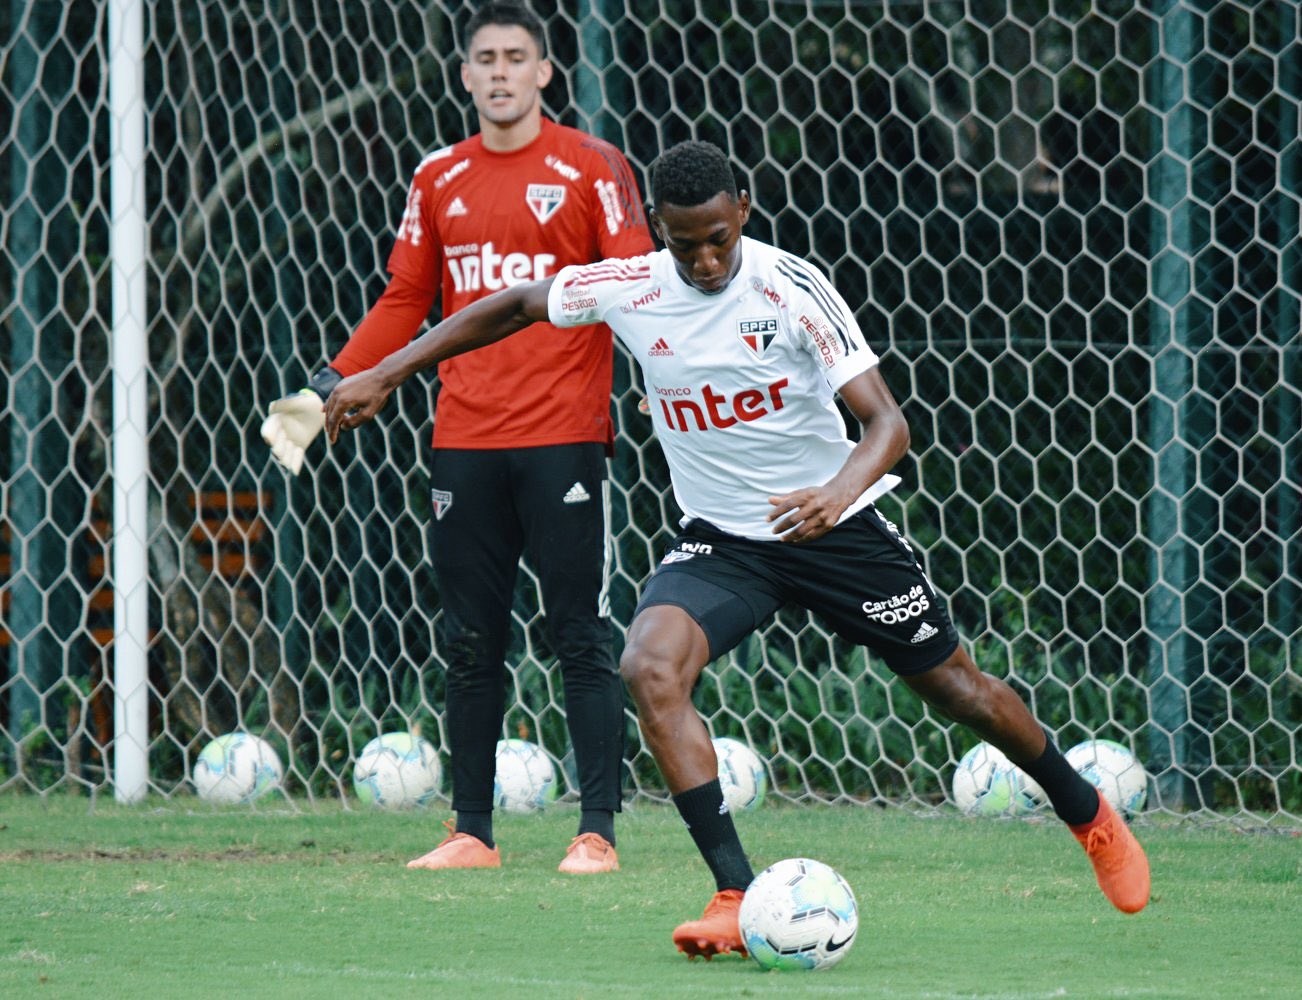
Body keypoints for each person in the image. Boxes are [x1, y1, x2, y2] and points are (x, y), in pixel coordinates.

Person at [321, 140, 1151, 956]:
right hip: (723, 542)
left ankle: (1086, 812)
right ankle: (733, 892)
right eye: (686, 244)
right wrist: (390, 372)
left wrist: (836, 493)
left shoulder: (791, 288)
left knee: (961, 690)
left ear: (742, 213)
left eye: (719, 239)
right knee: (649, 667)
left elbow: (887, 423)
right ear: (657, 229)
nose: (707, 260)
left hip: (835, 529)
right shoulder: (630, 286)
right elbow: (509, 306)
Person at [260, 2, 655, 875]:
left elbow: (638, 286)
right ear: (466, 75)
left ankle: (597, 832)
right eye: (488, 58)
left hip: (563, 435)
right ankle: (471, 831)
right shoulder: (438, 176)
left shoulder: (594, 168)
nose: (504, 72)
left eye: (519, 57)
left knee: (578, 633)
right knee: (471, 639)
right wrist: (326, 387)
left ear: (546, 72)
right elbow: (406, 299)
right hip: (463, 440)